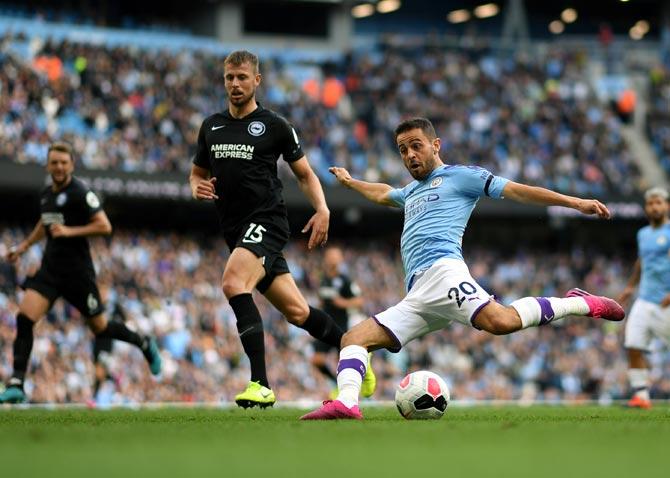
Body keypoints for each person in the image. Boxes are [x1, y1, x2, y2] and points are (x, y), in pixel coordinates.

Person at [302, 117, 625, 420]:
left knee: (500, 322)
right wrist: (350, 182)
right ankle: (346, 403)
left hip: (444, 272)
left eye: (416, 145)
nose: (410, 155)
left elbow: (518, 191)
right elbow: (384, 193)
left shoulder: (462, 176)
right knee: (353, 339)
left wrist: (575, 202)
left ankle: (581, 302)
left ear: (435, 145)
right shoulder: (411, 192)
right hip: (418, 293)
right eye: (403, 150)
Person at [189, 50, 373, 408]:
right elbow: (196, 173)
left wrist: (322, 208)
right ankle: (357, 353)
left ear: (256, 81)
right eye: (230, 78)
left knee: (232, 284)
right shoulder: (210, 126)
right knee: (298, 313)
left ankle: (260, 383)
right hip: (235, 230)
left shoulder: (274, 125)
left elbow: (304, 174)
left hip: (268, 222)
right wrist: (194, 186)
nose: (235, 84)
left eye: (242, 77)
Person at [0, 142, 162, 404]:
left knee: (100, 328)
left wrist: (69, 232)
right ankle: (17, 382)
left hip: (78, 274)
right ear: (48, 165)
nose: (60, 167)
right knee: (24, 318)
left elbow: (104, 225)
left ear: (72, 165)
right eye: (55, 162)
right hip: (50, 270)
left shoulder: (81, 193)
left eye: (64, 162)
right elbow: (46, 222)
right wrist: (24, 247)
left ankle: (143, 342)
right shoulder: (46, 195)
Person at [617, 187, 670, 409]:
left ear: (667, 205)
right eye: (650, 203)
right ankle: (641, 395)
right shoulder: (643, 234)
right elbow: (642, 262)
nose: (654, 207)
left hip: (665, 301)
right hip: (644, 299)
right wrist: (630, 287)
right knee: (633, 344)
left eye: (658, 202)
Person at [312, 246, 374, 398]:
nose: (332, 258)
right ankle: (337, 385)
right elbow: (322, 299)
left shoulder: (345, 280)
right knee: (317, 360)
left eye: (335, 255)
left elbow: (359, 300)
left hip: (341, 327)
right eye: (330, 255)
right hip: (325, 326)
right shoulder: (323, 279)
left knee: (345, 362)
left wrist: (342, 303)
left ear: (340, 259)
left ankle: (361, 376)